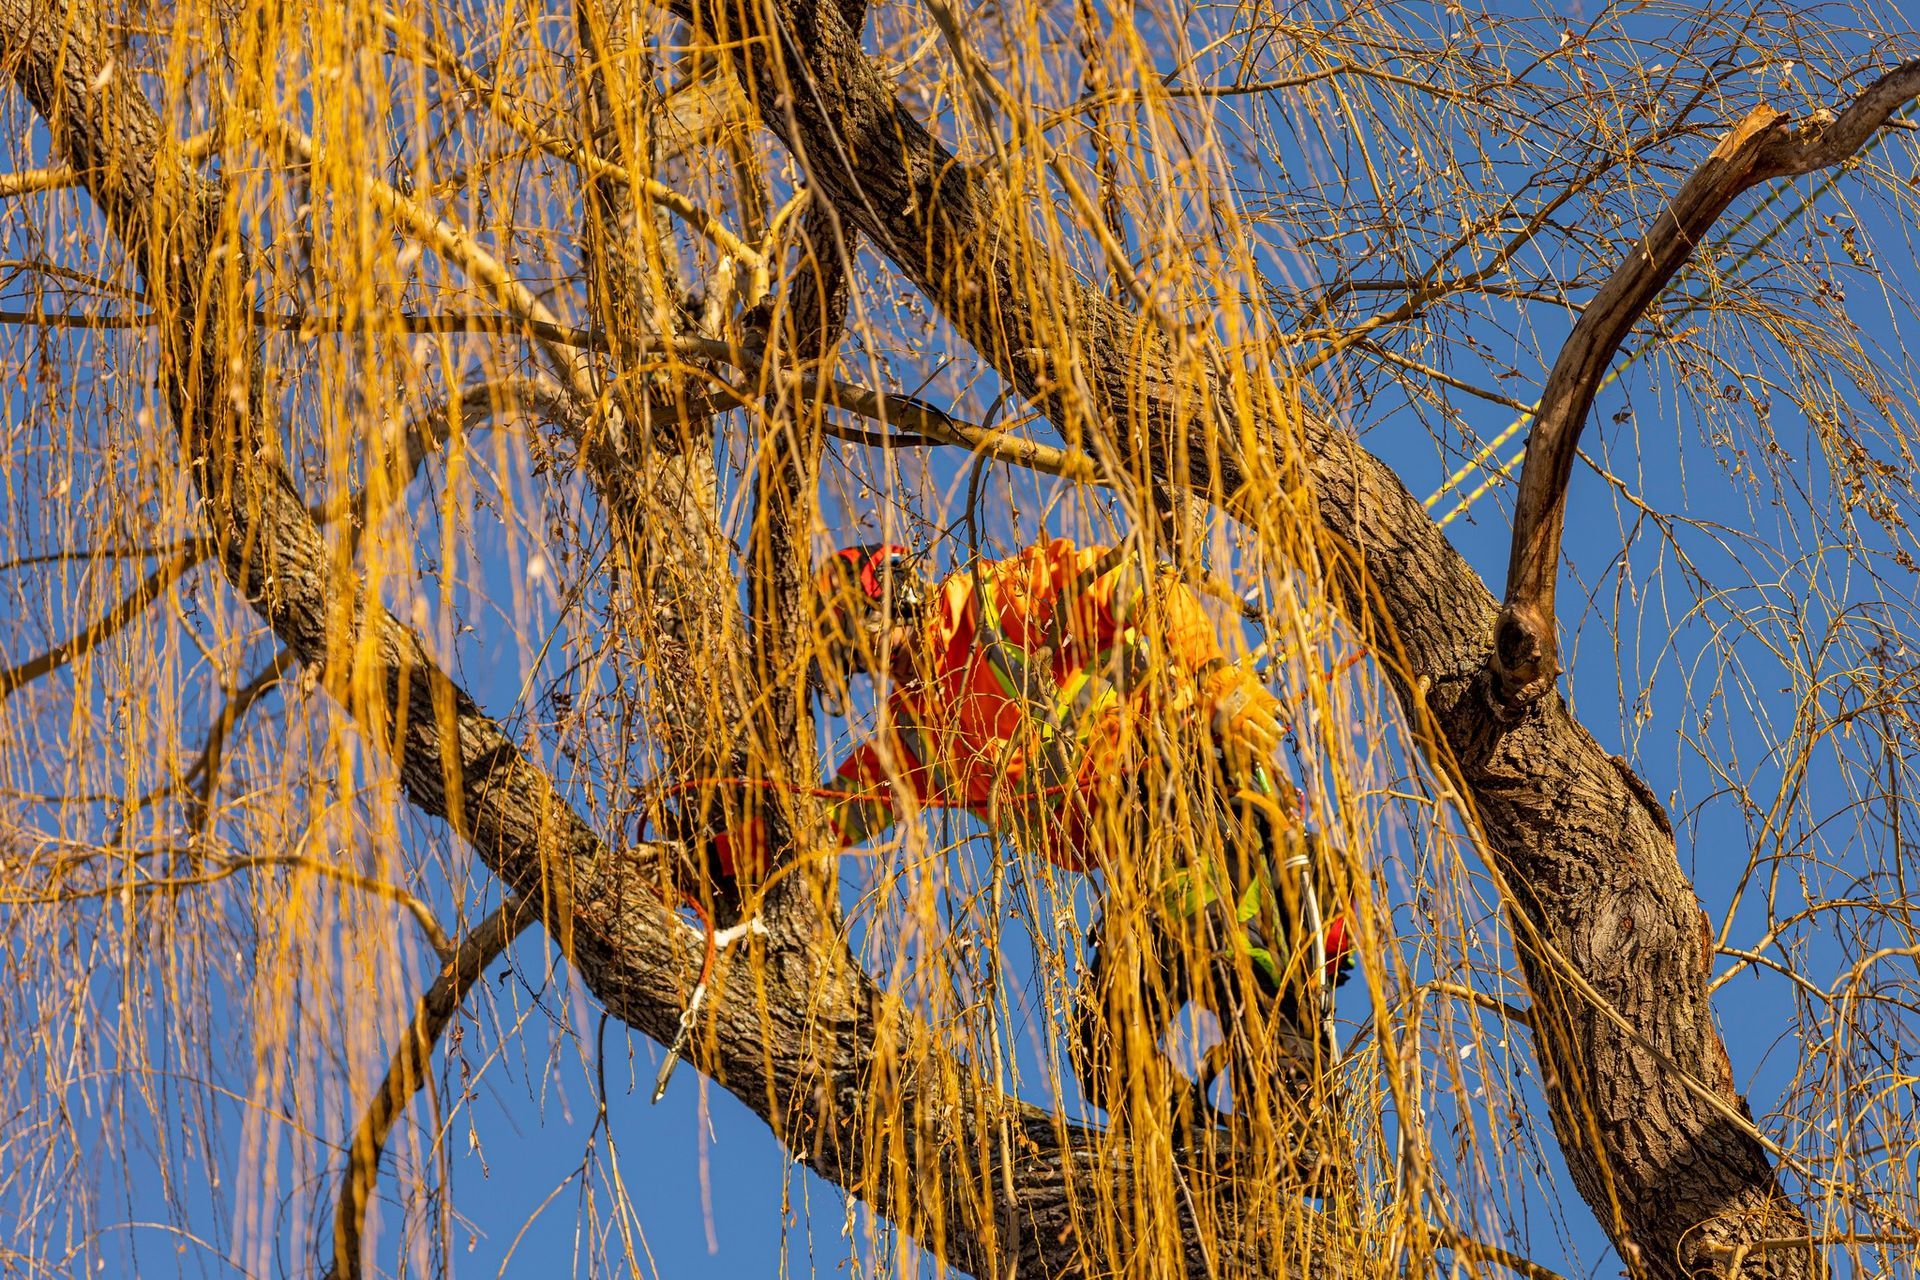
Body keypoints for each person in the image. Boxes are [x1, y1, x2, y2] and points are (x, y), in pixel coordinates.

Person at [709, 538, 1354, 1117]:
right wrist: (716, 860)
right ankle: (1197, 1155)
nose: (864, 659)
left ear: (890, 589)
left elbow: (1133, 586)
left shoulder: (993, 604)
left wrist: (1218, 679)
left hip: (1173, 779)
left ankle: (1290, 1067)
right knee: (1106, 1053)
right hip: (1123, 854)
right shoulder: (918, 733)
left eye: (855, 632)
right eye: (849, 654)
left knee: (1213, 931)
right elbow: (828, 811)